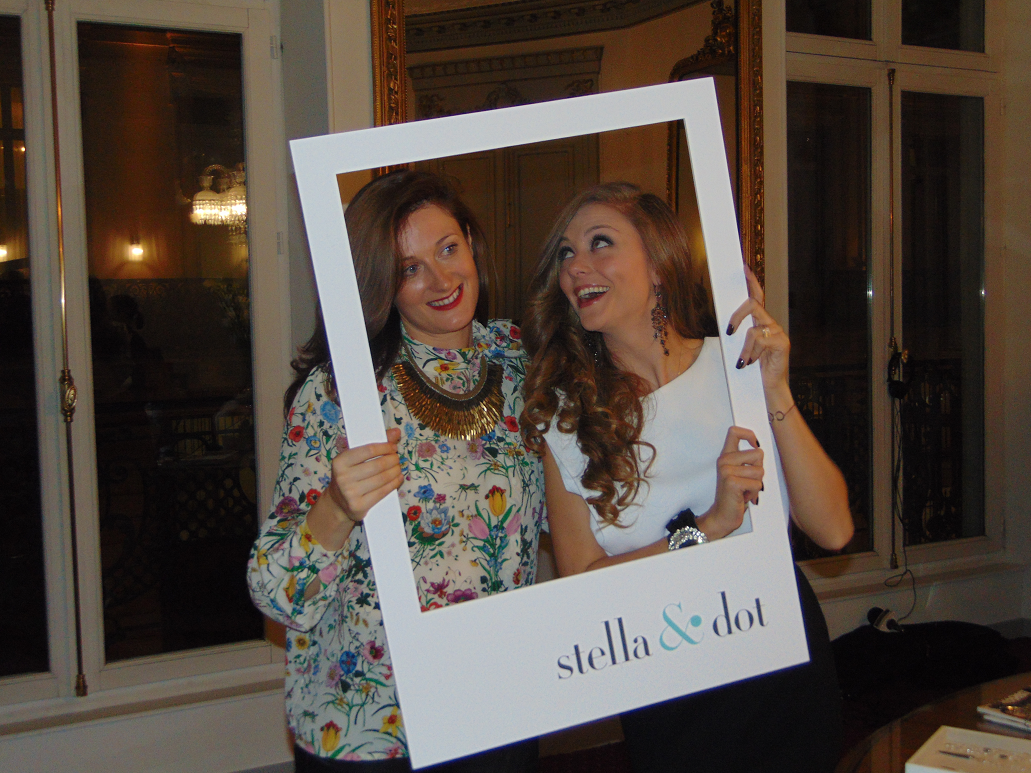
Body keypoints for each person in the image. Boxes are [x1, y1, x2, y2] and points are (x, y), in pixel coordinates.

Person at [520, 182, 854, 773]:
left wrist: (775, 390)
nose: (575, 267)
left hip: (781, 655)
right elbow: (585, 586)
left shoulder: (738, 366)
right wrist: (707, 526)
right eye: (566, 253)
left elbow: (833, 530)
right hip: (667, 675)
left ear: (658, 262)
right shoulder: (566, 421)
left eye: (600, 243)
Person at [248, 170, 545, 771]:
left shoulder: (523, 363)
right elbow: (277, 595)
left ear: (471, 243)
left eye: (448, 249)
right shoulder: (341, 393)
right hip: (371, 727)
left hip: (497, 708)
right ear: (382, 284)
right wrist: (336, 509)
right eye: (410, 268)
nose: (441, 279)